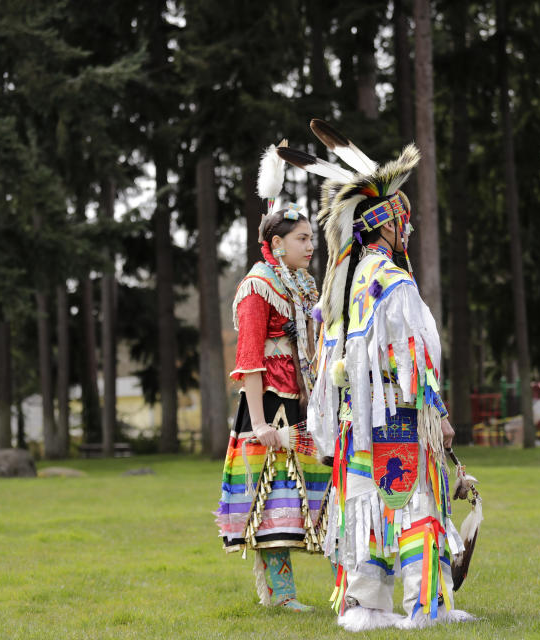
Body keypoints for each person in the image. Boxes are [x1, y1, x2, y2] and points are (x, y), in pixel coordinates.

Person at [276, 119, 474, 631]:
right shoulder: (391, 281)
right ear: (387, 225)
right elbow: (412, 357)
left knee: (367, 508)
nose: (407, 230)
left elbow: (328, 366)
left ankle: (365, 607)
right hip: (397, 414)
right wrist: (438, 416)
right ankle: (427, 608)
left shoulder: (344, 287)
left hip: (354, 422)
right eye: (403, 221)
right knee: (415, 506)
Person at [214, 146, 330, 612]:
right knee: (274, 499)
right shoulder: (257, 287)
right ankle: (281, 597)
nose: (310, 246)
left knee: (305, 493)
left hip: (301, 402)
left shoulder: (303, 287)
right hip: (269, 409)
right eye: (302, 238)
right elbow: (250, 362)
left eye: (311, 239)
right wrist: (260, 424)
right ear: (277, 242)